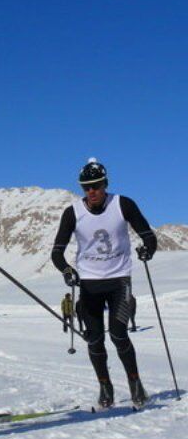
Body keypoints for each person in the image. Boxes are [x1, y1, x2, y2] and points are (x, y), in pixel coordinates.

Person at [51, 158, 157, 409]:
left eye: (96, 186)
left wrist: (147, 249)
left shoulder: (123, 204)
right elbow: (57, 252)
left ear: (105, 183)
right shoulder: (73, 212)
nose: (92, 191)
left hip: (119, 280)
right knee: (95, 339)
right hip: (89, 284)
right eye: (86, 187)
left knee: (119, 334)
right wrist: (66, 269)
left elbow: (148, 235)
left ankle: (135, 384)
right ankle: (105, 386)